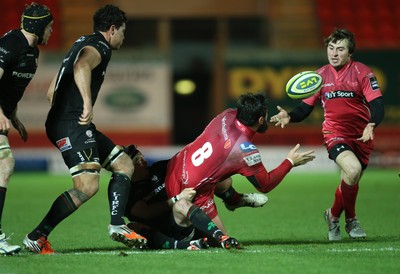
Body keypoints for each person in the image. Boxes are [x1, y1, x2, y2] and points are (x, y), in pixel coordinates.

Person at [23, 4, 146, 254]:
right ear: (111, 30)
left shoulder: (81, 42)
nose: (123, 37)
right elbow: (81, 66)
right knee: (87, 186)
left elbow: (51, 92)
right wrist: (86, 103)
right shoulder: (99, 47)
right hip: (72, 124)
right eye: (122, 31)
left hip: (68, 123)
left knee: (124, 164)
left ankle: (116, 224)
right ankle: (37, 236)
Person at [160, 92, 315, 249]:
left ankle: (234, 200)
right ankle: (183, 230)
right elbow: (265, 185)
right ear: (261, 120)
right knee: (217, 241)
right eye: (265, 115)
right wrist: (290, 162)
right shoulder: (244, 150)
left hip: (176, 165)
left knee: (224, 179)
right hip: (191, 191)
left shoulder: (227, 114)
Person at [270, 28, 384, 241]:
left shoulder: (362, 72)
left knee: (350, 179)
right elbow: (305, 108)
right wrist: (290, 117)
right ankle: (351, 220)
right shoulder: (320, 76)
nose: (334, 53)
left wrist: (371, 124)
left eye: (340, 49)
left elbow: (377, 104)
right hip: (335, 133)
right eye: (331, 48)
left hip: (362, 136)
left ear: (350, 53)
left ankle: (332, 216)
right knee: (353, 169)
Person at [123, 145, 268, 250]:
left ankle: (233, 201)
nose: (143, 161)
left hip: (190, 217)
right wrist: (176, 198)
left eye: (141, 156)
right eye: (137, 159)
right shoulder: (127, 192)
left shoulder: (159, 168)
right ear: (129, 168)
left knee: (214, 178)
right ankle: (184, 245)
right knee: (179, 205)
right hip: (170, 231)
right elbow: (145, 212)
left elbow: (185, 167)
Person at [0, 2, 53, 255]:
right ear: (39, 26)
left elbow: (10, 89)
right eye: (49, 26)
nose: (51, 31)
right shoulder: (10, 44)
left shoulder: (33, 52)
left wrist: (14, 116)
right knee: (5, 164)